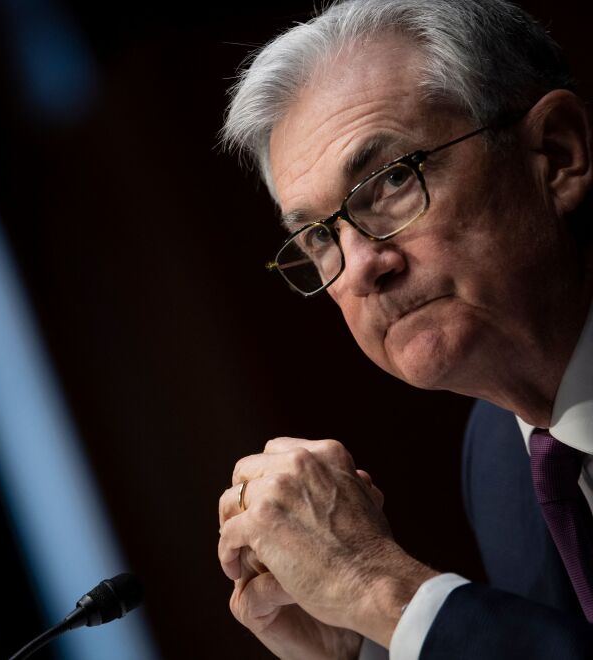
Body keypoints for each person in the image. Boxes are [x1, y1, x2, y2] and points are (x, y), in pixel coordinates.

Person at [217, 0, 593, 657]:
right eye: (316, 236)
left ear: (555, 154)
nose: (361, 266)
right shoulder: (502, 460)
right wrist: (365, 646)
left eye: (391, 180)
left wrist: (381, 592)